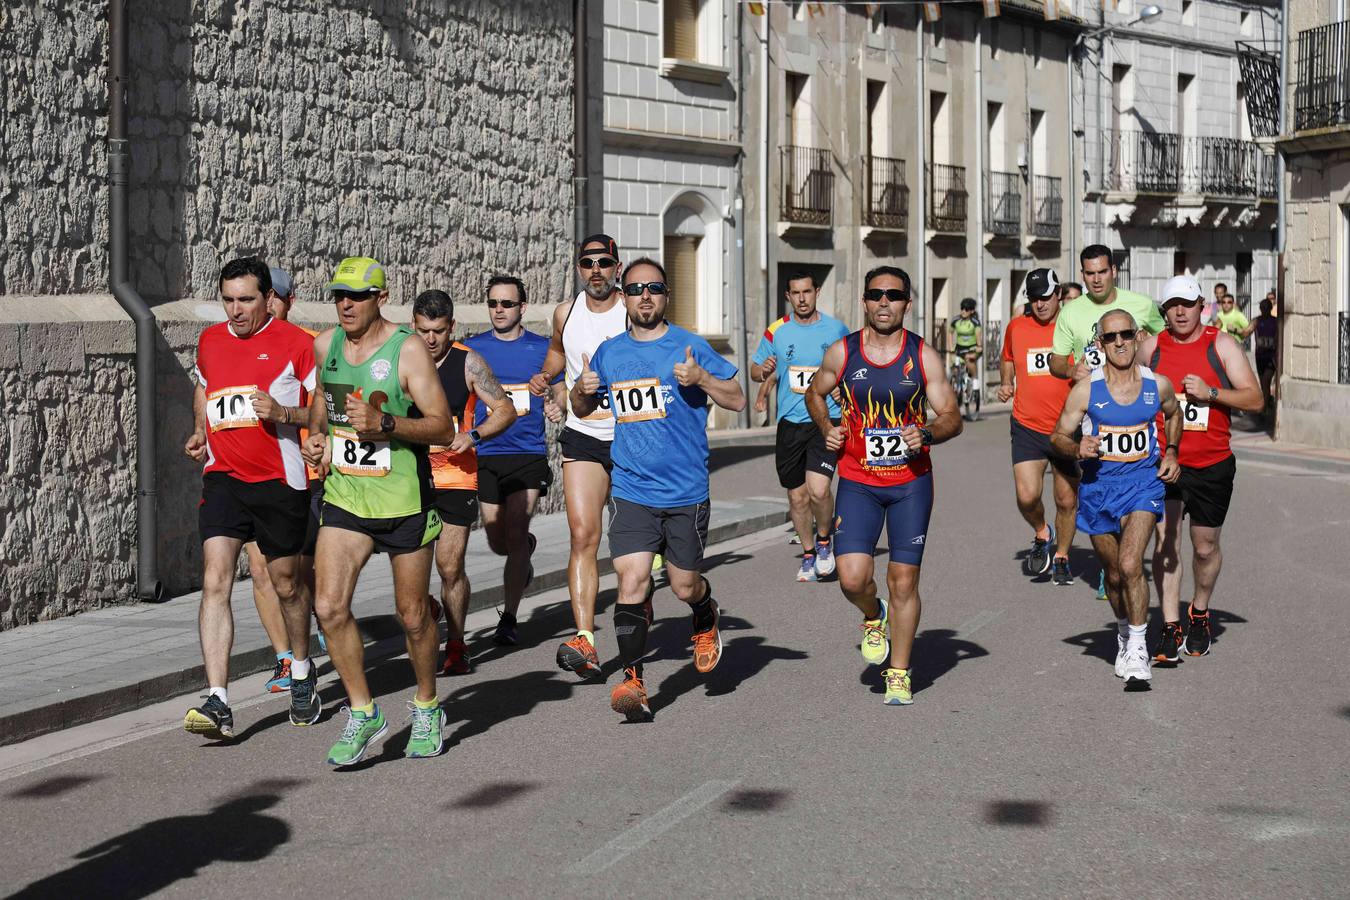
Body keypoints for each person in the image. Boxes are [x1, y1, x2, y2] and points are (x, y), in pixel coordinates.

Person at [570, 258, 745, 721]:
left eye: (653, 288)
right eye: (635, 289)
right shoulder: (610, 352)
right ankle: (634, 683)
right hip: (631, 488)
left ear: (666, 295)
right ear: (623, 298)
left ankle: (705, 616)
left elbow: (738, 397)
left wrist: (702, 379)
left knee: (684, 585)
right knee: (631, 581)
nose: (644, 296)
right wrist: (582, 390)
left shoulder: (689, 346)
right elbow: (582, 407)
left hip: (685, 491)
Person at [302, 256, 458, 766]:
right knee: (328, 606)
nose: (346, 304)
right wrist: (319, 441)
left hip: (404, 502)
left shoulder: (407, 350)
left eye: (358, 295)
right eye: (339, 296)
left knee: (413, 616)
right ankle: (364, 711)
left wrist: (386, 424)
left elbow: (443, 428)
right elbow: (325, 402)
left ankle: (427, 704)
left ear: (380, 297)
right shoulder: (325, 346)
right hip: (347, 498)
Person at [805, 266, 962, 706]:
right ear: (865, 301)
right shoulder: (844, 352)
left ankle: (899, 672)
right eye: (876, 294)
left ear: (907, 303)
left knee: (903, 579)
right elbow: (815, 393)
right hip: (858, 480)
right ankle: (873, 616)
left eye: (893, 295)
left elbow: (952, 416)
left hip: (911, 483)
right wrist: (827, 428)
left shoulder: (923, 356)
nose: (884, 302)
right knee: (853, 578)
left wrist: (927, 433)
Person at [182, 257, 317, 740]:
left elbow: (323, 412)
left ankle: (302, 670)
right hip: (224, 479)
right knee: (215, 580)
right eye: (228, 300)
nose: (235, 310)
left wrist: (282, 411)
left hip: (279, 483)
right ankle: (217, 697)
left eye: (246, 300)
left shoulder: (298, 345)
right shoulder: (211, 341)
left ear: (268, 299)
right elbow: (205, 387)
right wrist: (201, 429)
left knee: (286, 586)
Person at [1050, 309, 1182, 690]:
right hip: (1097, 489)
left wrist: (1171, 451)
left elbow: (1174, 415)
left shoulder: (1158, 385)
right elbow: (1057, 436)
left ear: (1139, 336)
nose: (1120, 342)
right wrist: (1077, 446)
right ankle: (1124, 632)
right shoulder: (1087, 390)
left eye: (1126, 334)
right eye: (1111, 337)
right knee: (1112, 574)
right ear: (1100, 344)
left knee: (1130, 564)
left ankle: (1139, 649)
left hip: (1142, 485)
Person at [1139, 276, 1264, 663]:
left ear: (1201, 306)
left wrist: (1211, 392)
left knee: (1205, 547)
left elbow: (1255, 398)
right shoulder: (1151, 347)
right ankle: (1171, 624)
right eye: (1173, 305)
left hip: (1211, 464)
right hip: (1165, 462)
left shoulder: (1221, 344)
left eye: (1188, 304)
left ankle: (1200, 611)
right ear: (1164, 310)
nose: (1180, 311)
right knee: (1166, 543)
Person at [528, 235, 630, 680]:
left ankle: (643, 626)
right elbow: (556, 350)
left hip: (632, 437)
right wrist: (549, 379)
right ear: (578, 268)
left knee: (630, 546)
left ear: (617, 267)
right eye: (587, 263)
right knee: (583, 534)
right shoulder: (566, 312)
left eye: (604, 262)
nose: (595, 270)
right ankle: (585, 638)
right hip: (583, 435)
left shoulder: (636, 309)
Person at [1050, 245, 1166, 602]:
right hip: (1092, 411)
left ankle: (1126, 560)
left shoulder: (1141, 304)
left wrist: (1146, 352)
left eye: (1102, 271)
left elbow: (1165, 342)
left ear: (1113, 271)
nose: (1096, 278)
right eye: (1089, 273)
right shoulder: (1070, 312)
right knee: (1100, 481)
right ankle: (1113, 563)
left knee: (1136, 475)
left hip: (1135, 405)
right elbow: (1055, 360)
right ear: (1082, 275)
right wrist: (1072, 369)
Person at [412, 289, 517, 674]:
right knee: (409, 569)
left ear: (451, 327)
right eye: (423, 330)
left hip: (456, 476)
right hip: (412, 478)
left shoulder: (468, 363)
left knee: (450, 566)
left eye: (438, 330)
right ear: (414, 326)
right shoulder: (403, 359)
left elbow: (505, 410)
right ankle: (430, 607)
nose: (431, 339)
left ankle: (456, 644)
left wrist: (473, 436)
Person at [464, 275, 564, 645]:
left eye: (507, 304)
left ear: (522, 307)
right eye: (493, 303)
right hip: (487, 452)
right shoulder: (472, 349)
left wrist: (557, 406)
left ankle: (508, 617)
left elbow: (560, 390)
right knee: (497, 540)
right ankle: (523, 552)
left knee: (517, 531)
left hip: (527, 452)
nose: (499, 310)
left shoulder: (542, 349)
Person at [243, 266, 325, 693]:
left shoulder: (312, 347)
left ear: (289, 301)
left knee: (304, 575)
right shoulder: (235, 345)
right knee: (260, 569)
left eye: (274, 296)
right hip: (258, 477)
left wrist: (289, 419)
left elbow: (334, 411)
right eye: (263, 295)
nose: (267, 303)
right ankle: (286, 660)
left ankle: (319, 628)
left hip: (311, 475)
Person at [751, 271, 850, 582]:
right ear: (788, 296)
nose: (802, 298)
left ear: (816, 292)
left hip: (825, 421)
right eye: (796, 293)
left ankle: (824, 542)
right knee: (797, 497)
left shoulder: (835, 329)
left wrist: (841, 388)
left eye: (807, 291)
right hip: (790, 424)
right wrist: (762, 370)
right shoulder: (776, 332)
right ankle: (808, 553)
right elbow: (756, 370)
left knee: (819, 490)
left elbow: (852, 368)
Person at [997, 268, 1078, 586]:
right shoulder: (1017, 326)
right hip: (1027, 425)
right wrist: (1006, 382)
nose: (1040, 303)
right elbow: (1007, 357)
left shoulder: (1072, 326)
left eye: (1045, 296)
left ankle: (1062, 557)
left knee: (1066, 500)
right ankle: (1043, 532)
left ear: (1058, 294)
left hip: (1067, 427)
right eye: (1033, 298)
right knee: (1027, 496)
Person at [950, 297, 982, 410]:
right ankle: (956, 388)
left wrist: (978, 347)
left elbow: (978, 337)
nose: (963, 311)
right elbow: (950, 332)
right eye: (962, 308)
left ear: (972, 311)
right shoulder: (956, 320)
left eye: (966, 309)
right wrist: (950, 347)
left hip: (972, 348)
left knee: (969, 360)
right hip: (960, 349)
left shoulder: (975, 322)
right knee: (955, 367)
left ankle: (974, 381)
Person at [1253, 297, 1278, 417]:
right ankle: (1268, 402)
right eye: (1262, 308)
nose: (1264, 310)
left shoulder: (1276, 321)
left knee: (1266, 380)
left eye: (1266, 308)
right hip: (1260, 356)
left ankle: (1263, 409)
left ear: (1270, 308)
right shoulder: (1256, 321)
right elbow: (1247, 331)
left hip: (1271, 357)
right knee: (1263, 384)